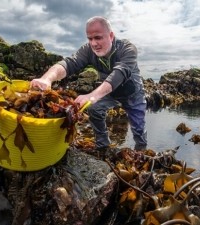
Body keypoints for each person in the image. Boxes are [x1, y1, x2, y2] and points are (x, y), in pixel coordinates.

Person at [30, 16, 147, 152]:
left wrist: (92, 96)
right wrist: (47, 79)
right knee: (94, 109)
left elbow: (119, 74)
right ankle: (103, 147)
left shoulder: (127, 49)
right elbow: (69, 64)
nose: (93, 43)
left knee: (138, 128)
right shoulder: (88, 50)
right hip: (109, 93)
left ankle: (141, 151)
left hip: (133, 93)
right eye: (90, 39)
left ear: (111, 35)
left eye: (98, 37)